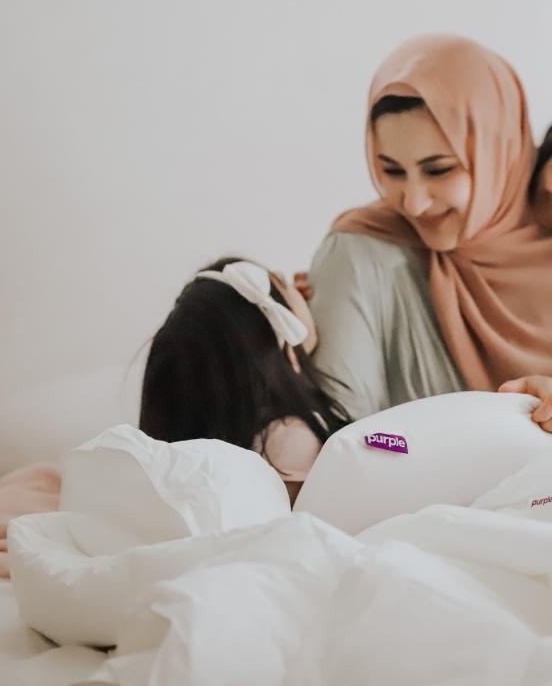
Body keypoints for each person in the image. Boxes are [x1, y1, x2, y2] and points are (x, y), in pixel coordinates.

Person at [306, 34, 552, 421]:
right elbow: (342, 444)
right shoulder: (361, 253)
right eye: (391, 170)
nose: (413, 203)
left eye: (439, 170)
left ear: (497, 152)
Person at [139, 257, 350, 504]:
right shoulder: (288, 444)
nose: (300, 290)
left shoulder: (216, 445)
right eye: (283, 283)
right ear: (283, 346)